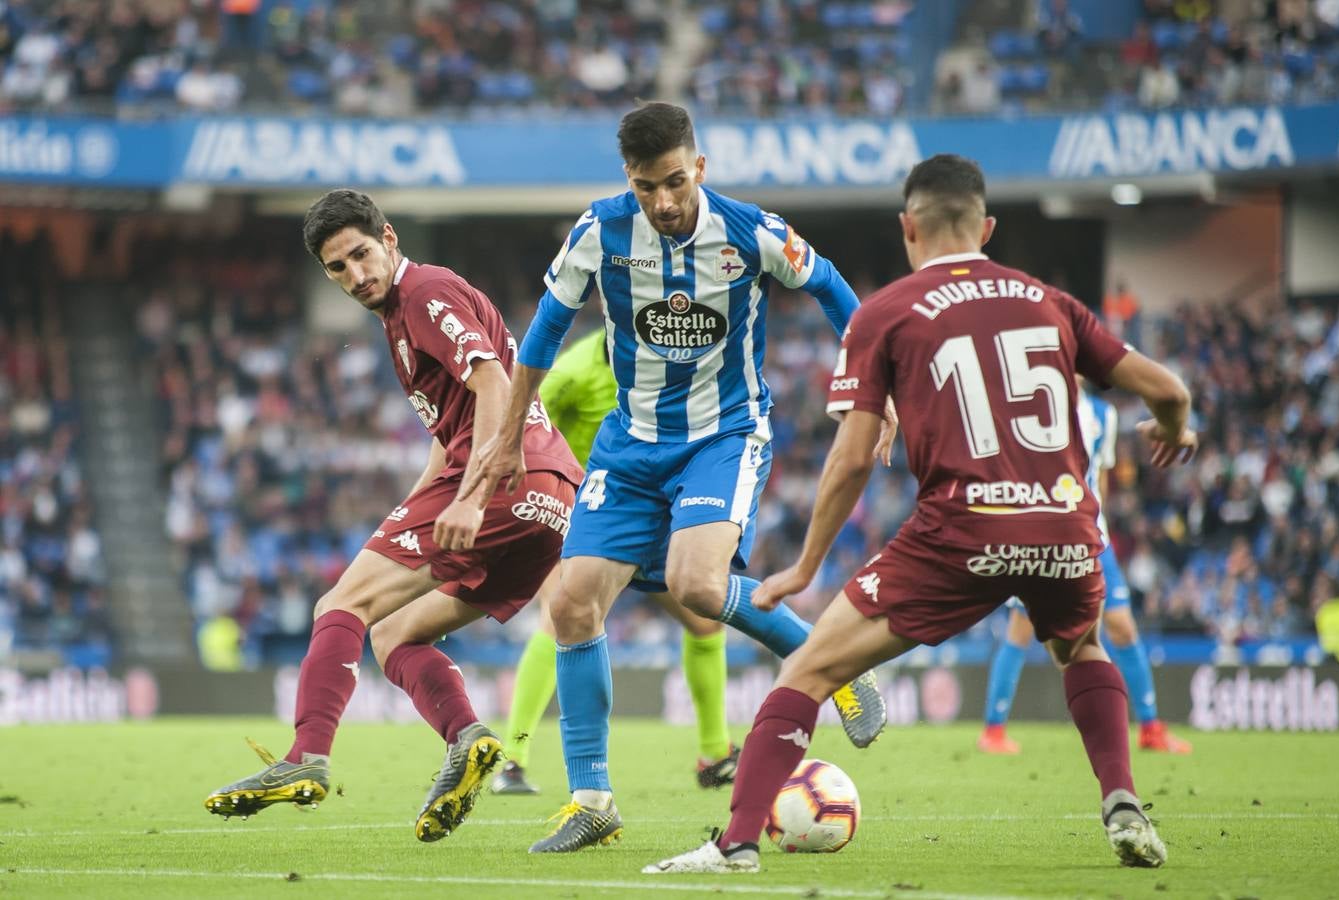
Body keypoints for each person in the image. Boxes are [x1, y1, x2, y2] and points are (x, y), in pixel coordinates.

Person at [643, 153, 1197, 876]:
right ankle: (1121, 802)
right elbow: (1165, 387)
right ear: (987, 227)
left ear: (908, 228)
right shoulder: (1047, 301)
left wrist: (805, 567)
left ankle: (736, 843)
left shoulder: (887, 312)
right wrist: (1173, 425)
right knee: (1081, 647)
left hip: (961, 530)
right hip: (1062, 528)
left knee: (807, 670)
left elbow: (847, 460)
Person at [464, 101, 891, 853]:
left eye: (671, 182)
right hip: (629, 445)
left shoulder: (751, 231)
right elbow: (543, 329)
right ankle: (592, 799)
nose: (659, 202)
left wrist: (872, 390)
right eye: (642, 186)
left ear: (698, 167)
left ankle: (835, 663)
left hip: (722, 435)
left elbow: (830, 289)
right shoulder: (600, 229)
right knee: (568, 605)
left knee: (696, 586)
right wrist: (505, 437)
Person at [203, 190, 584, 844]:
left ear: (389, 238)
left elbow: (493, 384)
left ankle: (305, 760)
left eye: (360, 255)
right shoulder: (400, 318)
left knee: (340, 607)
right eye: (337, 268)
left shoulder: (424, 295)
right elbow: (447, 435)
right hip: (548, 499)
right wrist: (418, 505)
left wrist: (467, 496)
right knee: (395, 636)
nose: (355, 275)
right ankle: (468, 740)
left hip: (500, 481)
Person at [492, 327, 740, 795]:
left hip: (641, 519)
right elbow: (521, 427)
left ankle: (715, 754)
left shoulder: (665, 367)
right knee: (559, 617)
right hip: (576, 518)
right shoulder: (571, 373)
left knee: (705, 623)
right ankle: (512, 761)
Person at [979, 382, 1193, 755]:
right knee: (1021, 626)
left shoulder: (1102, 415)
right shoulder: (1029, 408)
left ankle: (1150, 727)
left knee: (1122, 627)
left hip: (1093, 539)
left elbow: (1101, 480)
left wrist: (1098, 526)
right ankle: (993, 731)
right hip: (1039, 535)